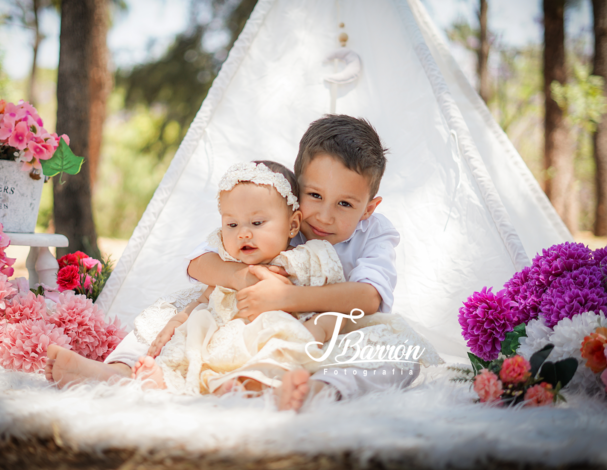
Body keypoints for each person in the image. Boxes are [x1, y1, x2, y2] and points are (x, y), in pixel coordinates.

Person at [184, 115, 443, 410]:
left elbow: (370, 297)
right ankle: (251, 381)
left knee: (402, 355)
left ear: (369, 208)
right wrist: (243, 278)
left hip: (339, 334)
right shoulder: (278, 216)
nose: (324, 216)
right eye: (315, 195)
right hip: (273, 330)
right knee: (196, 315)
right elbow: (198, 261)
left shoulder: (375, 232)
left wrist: (286, 297)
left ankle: (318, 389)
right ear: (295, 189)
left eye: (344, 204)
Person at [128, 160, 357, 395]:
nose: (243, 233)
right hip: (225, 341)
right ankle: (166, 379)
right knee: (192, 344)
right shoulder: (229, 266)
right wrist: (175, 323)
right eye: (232, 224)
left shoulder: (305, 261)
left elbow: (329, 304)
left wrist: (312, 330)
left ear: (293, 224)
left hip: (272, 337)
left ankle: (249, 384)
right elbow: (202, 300)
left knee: (279, 353)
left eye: (257, 223)